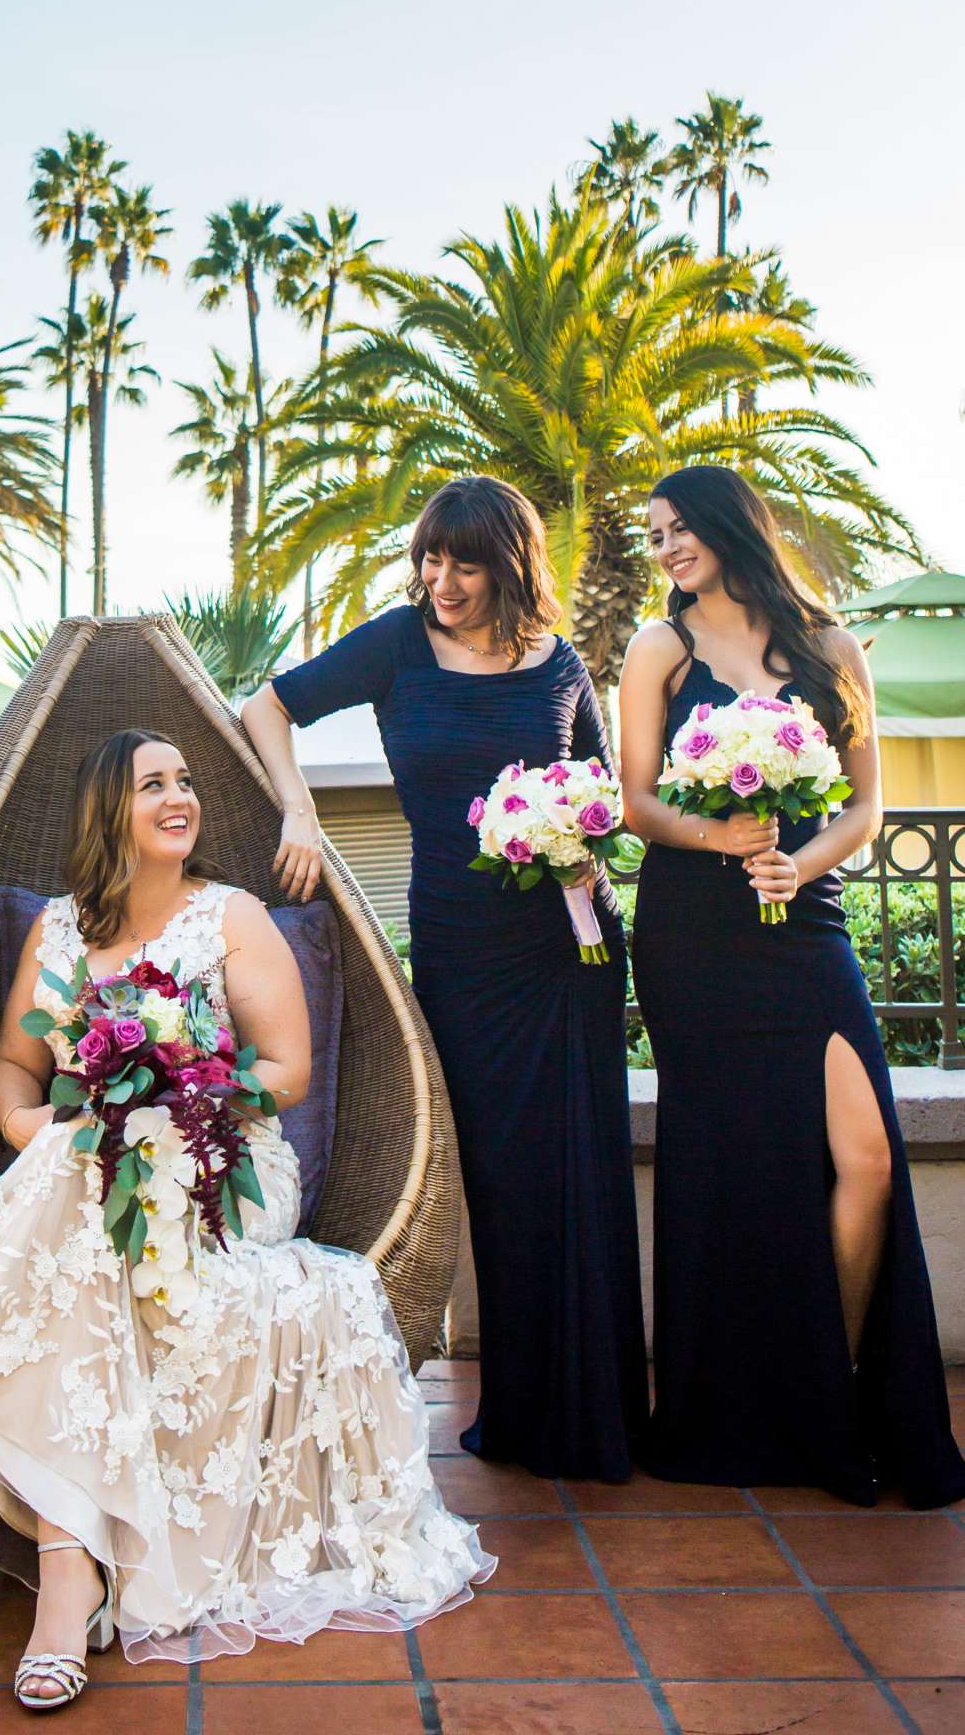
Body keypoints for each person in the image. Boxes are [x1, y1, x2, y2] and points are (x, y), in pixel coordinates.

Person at [0, 730, 493, 1703]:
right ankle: (67, 1586)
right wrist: (26, 1119)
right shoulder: (60, 934)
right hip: (91, 1173)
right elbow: (12, 1066)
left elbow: (284, 1073)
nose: (179, 797)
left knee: (102, 1147)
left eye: (184, 781)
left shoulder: (232, 918)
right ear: (105, 811)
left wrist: (177, 1088)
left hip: (227, 1168)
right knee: (82, 1155)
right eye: (153, 783)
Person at [241, 475, 647, 1481]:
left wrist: (581, 840)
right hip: (465, 953)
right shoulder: (395, 644)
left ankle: (596, 1414)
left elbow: (601, 792)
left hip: (572, 948)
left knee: (582, 1168)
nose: (440, 578)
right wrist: (301, 815)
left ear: (507, 562)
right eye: (429, 557)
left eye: (462, 561)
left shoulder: (559, 666)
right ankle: (523, 1410)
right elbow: (266, 708)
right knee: (503, 1176)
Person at [620, 464, 965, 1506]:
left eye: (679, 528)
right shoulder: (658, 648)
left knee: (862, 1155)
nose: (667, 548)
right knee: (728, 1171)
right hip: (692, 932)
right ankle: (748, 1412)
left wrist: (797, 864)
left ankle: (838, 1391)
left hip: (802, 922)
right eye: (654, 536)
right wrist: (717, 834)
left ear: (730, 524)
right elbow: (636, 801)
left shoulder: (831, 647)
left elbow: (864, 807)